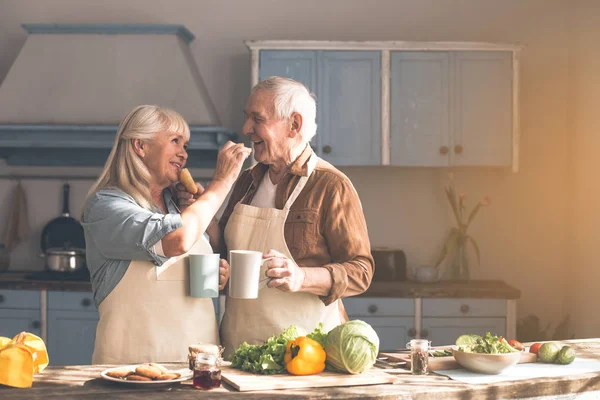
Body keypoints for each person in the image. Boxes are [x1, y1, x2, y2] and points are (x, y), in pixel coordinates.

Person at [177, 77, 374, 358]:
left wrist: (302, 277)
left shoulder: (330, 185)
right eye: (247, 118)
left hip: (305, 355)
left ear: (294, 125)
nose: (246, 129)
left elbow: (361, 271)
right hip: (239, 349)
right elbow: (227, 254)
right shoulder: (247, 180)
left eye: (257, 119)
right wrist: (207, 221)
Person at [81, 105, 251, 364]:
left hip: (200, 367)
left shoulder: (181, 206)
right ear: (140, 146)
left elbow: (218, 252)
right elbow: (178, 240)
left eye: (186, 146)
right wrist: (221, 183)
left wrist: (219, 272)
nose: (183, 154)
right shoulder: (106, 206)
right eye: (175, 141)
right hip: (130, 372)